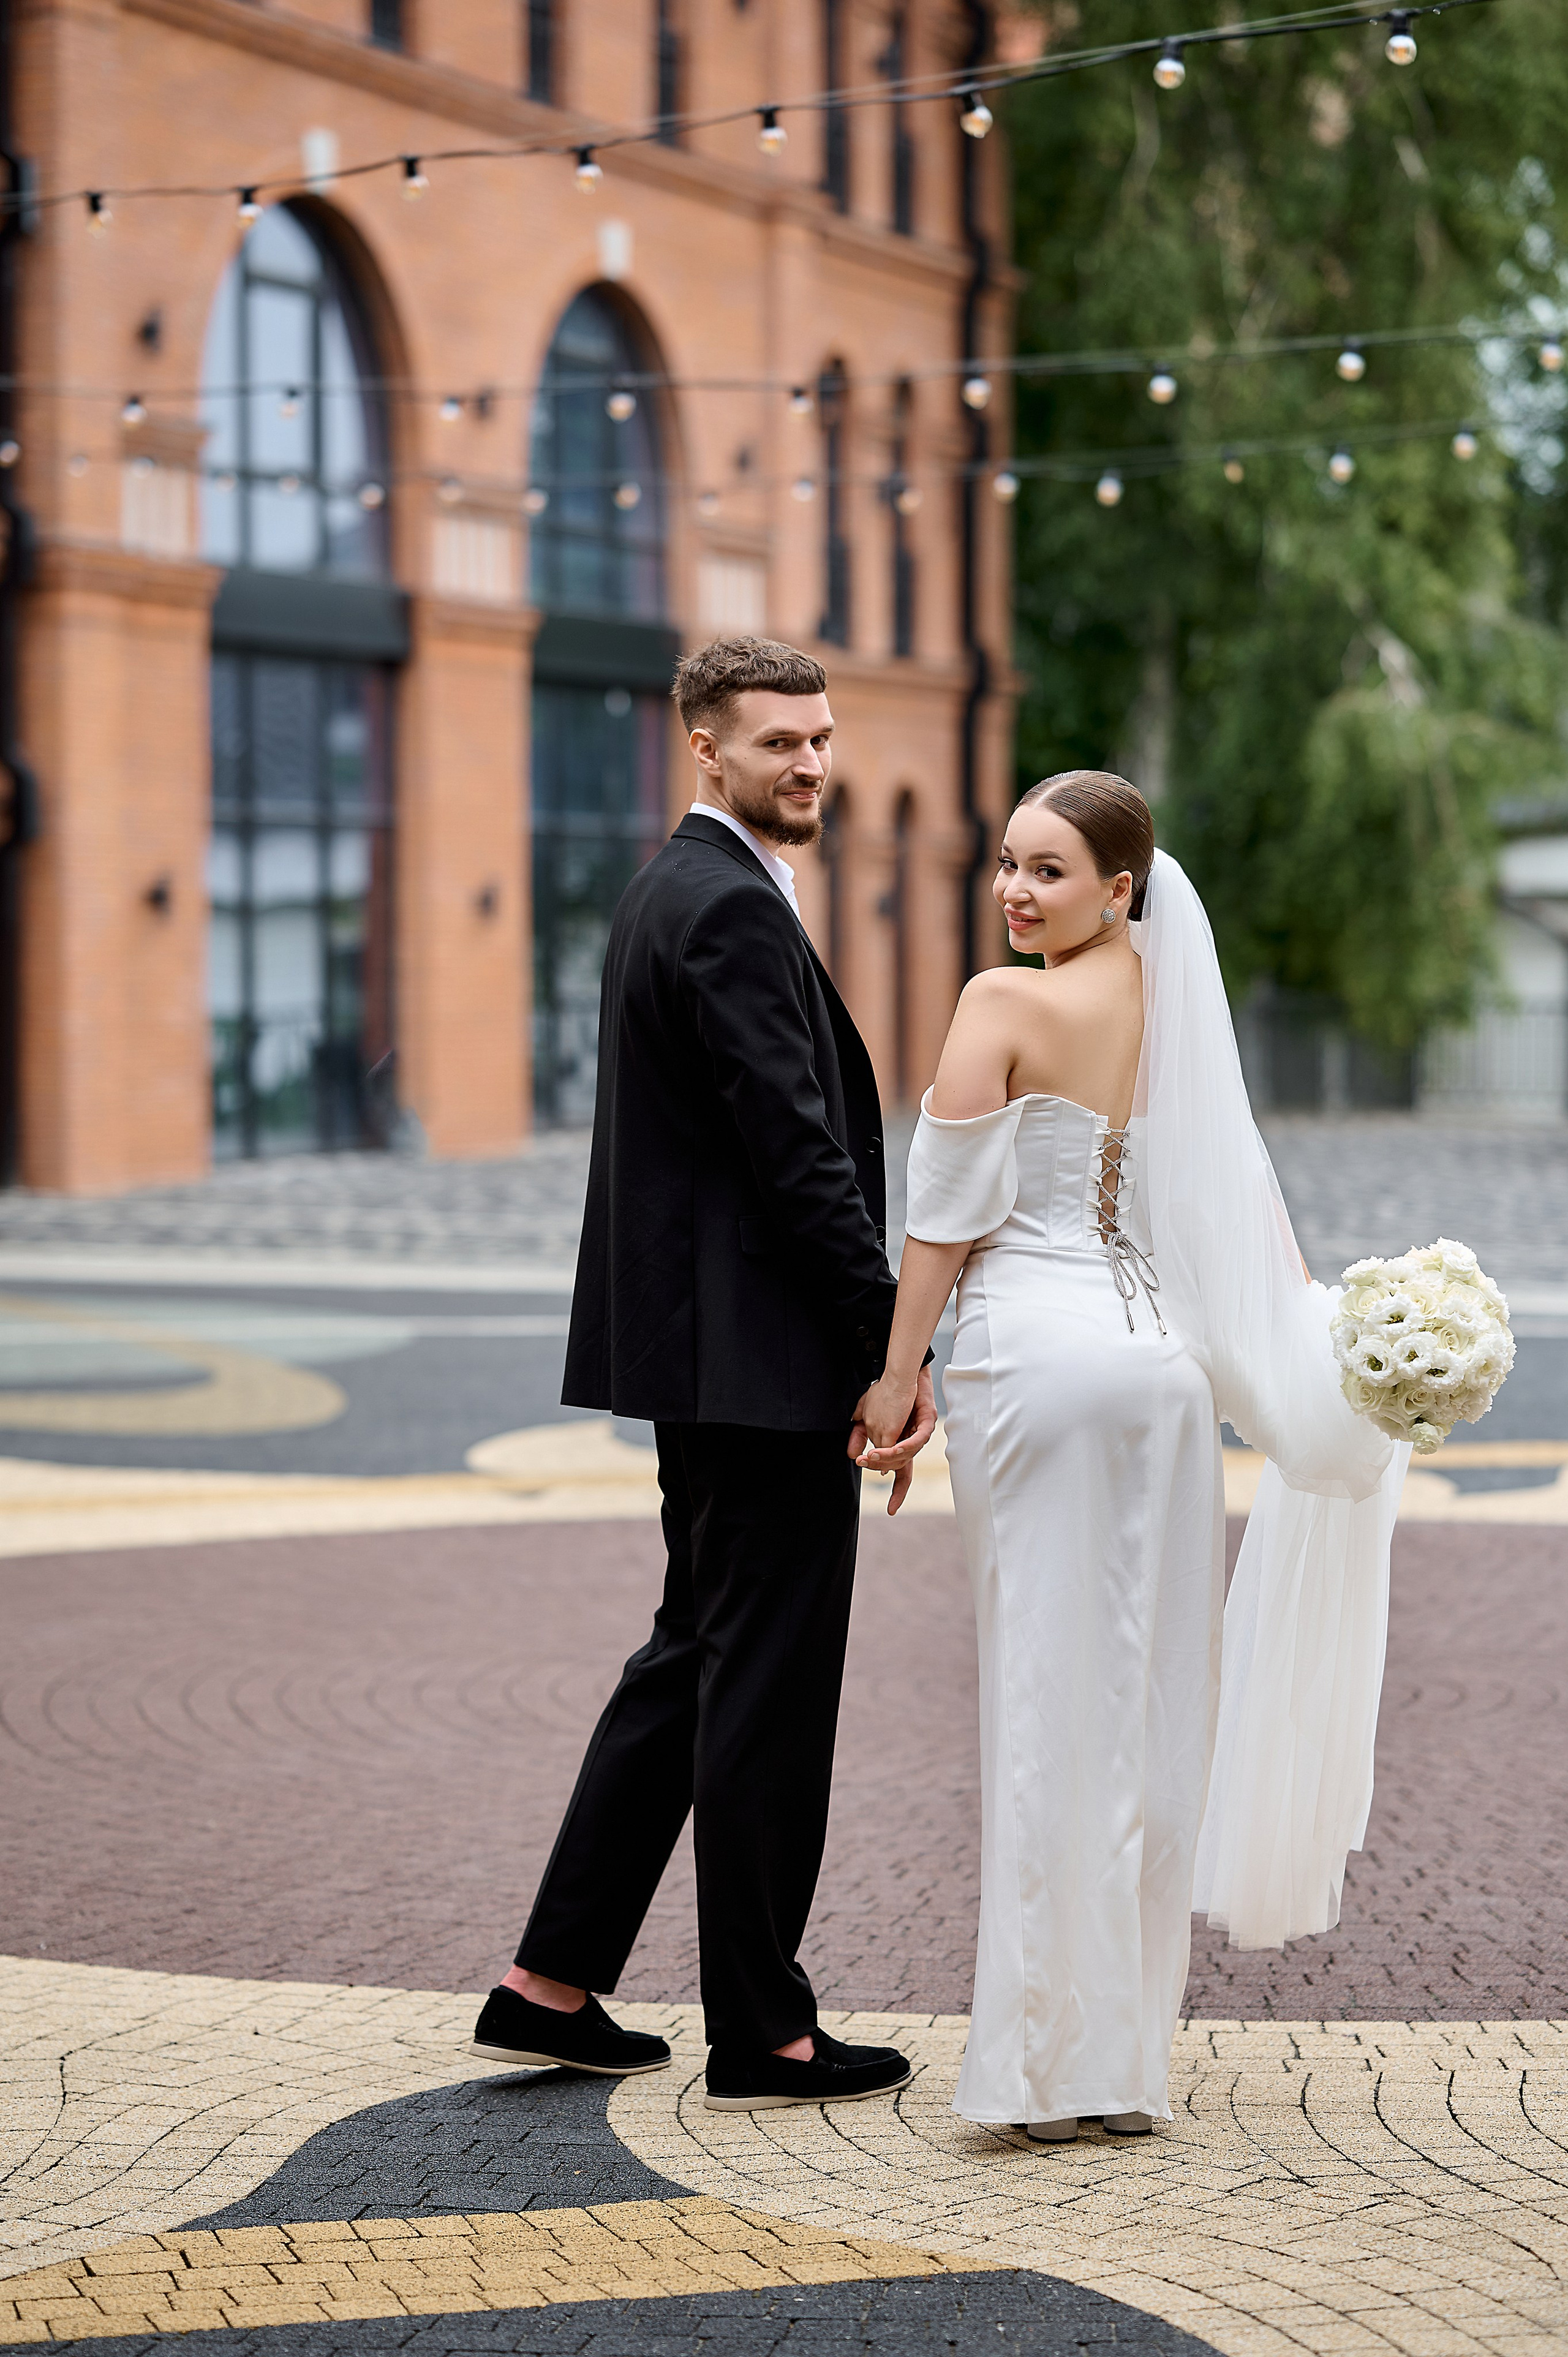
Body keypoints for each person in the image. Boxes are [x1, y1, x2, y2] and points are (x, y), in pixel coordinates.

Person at [855, 771, 1404, 2143]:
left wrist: (892, 1373)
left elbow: (943, 1216)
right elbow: (1227, 1205)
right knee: (1149, 1707)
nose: (1011, 892)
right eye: (1004, 865)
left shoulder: (999, 1003)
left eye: (1045, 871)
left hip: (1031, 1366)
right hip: (1159, 1377)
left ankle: (1042, 2073)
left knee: (1045, 1711)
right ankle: (1119, 2064)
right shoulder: (1177, 1016)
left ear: (1119, 888)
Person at [471, 636, 936, 2112]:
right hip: (764, 1367)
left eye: (819, 736)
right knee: (766, 1690)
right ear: (704, 748)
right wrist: (889, 1348)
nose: (808, 762)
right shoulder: (724, 906)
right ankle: (765, 2030)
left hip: (711, 1361)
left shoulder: (684, 889)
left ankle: (548, 1979)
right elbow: (796, 1159)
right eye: (776, 742)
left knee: (692, 1658)